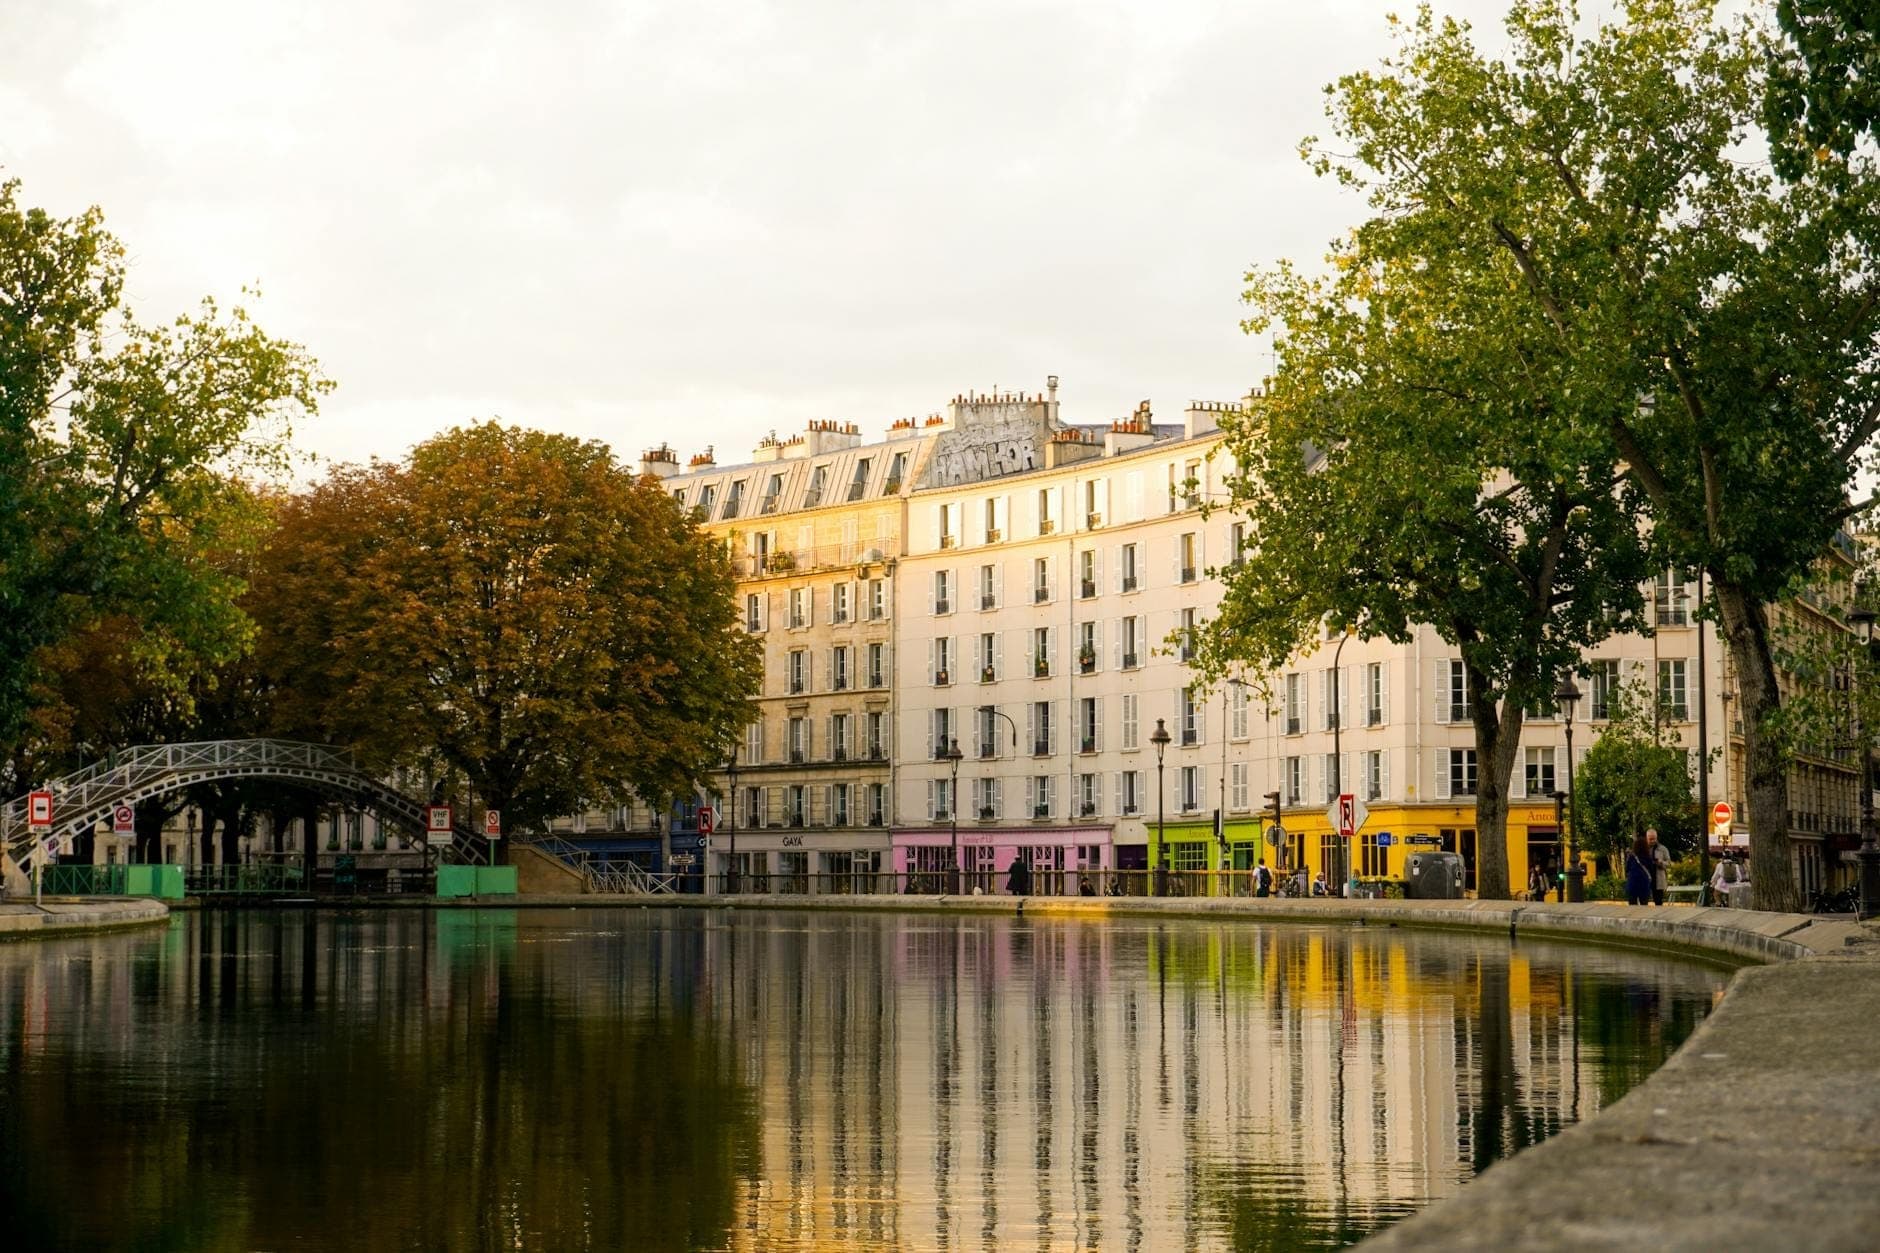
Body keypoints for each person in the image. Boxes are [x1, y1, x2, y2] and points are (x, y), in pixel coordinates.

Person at [1623, 835, 1655, 906]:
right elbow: (1652, 870)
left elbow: (1627, 869)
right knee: (1644, 906)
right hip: (1644, 884)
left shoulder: (1632, 857)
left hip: (1632, 884)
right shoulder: (1648, 858)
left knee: (1632, 907)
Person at [1645, 828, 1672, 906]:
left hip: (1658, 878)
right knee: (1644, 900)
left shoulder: (1662, 849)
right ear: (1647, 838)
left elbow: (1669, 863)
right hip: (1646, 878)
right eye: (1650, 839)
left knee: (1658, 901)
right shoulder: (1643, 849)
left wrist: (1661, 862)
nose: (1652, 841)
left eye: (1654, 839)